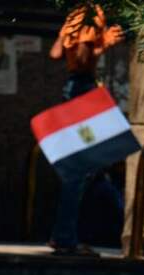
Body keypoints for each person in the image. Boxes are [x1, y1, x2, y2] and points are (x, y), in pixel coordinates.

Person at [47, 5, 124, 256]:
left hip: (73, 88)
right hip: (83, 88)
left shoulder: (74, 15)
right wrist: (105, 44)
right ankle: (65, 237)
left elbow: (56, 52)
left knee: (87, 168)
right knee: (83, 169)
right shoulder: (92, 13)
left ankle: (66, 234)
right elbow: (81, 59)